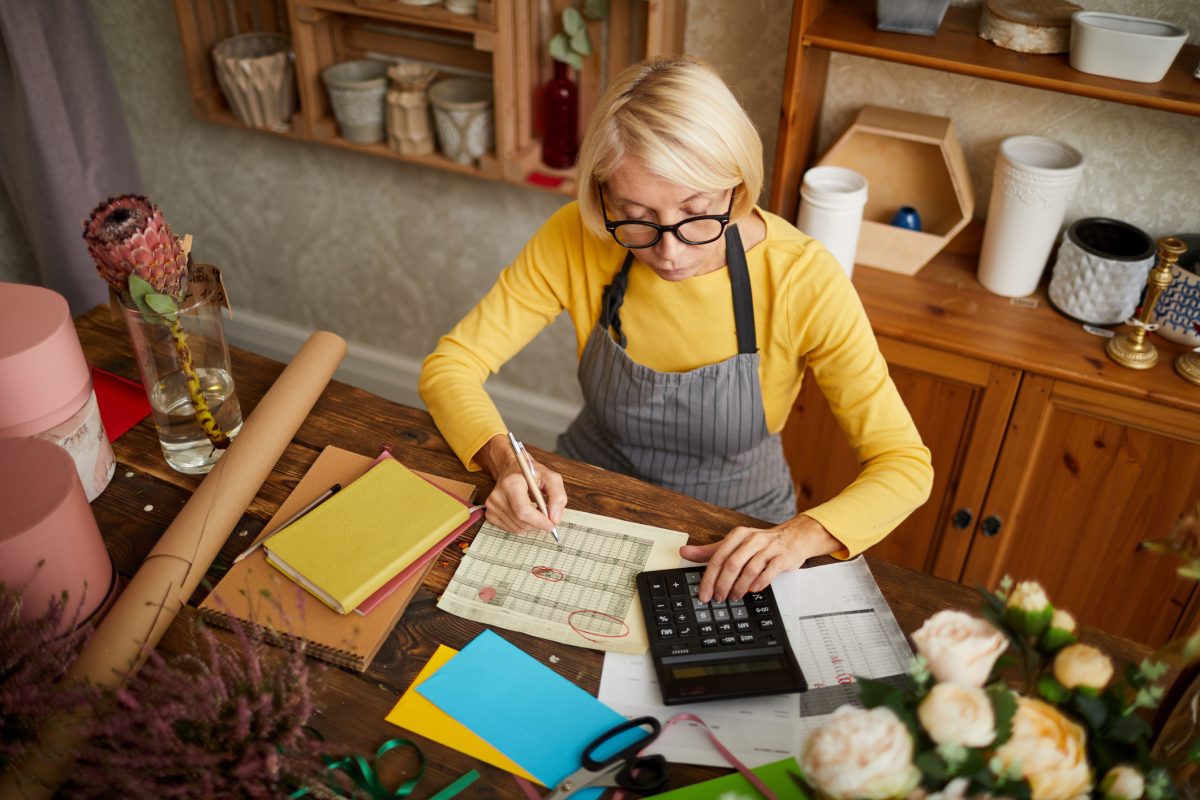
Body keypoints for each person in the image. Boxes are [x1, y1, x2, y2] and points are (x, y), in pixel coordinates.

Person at [419, 55, 933, 605]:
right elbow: (450, 367)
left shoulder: (803, 278)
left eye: (696, 213)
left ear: (737, 185)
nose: (668, 252)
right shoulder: (574, 237)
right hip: (587, 499)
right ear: (602, 197)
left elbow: (903, 465)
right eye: (637, 217)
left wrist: (800, 535)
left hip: (736, 529)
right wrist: (505, 460)